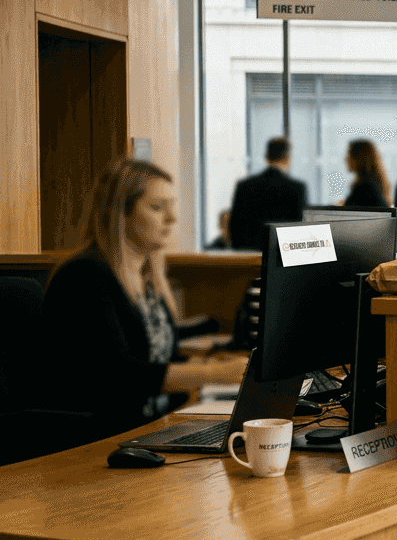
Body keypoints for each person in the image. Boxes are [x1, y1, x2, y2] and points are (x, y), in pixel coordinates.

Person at [41, 159, 247, 442]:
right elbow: (121, 377)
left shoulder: (148, 282)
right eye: (157, 207)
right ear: (120, 213)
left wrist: (213, 365)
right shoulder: (85, 276)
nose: (172, 218)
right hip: (100, 438)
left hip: (148, 430)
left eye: (172, 206)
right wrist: (212, 373)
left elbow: (162, 360)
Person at [228, 136, 307, 250]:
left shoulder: (245, 186)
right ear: (287, 158)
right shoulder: (297, 188)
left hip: (249, 255)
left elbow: (235, 225)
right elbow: (299, 226)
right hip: (280, 255)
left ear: (266, 157)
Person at [343, 139, 390, 207]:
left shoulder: (364, 189)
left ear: (359, 159)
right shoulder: (372, 185)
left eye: (349, 155)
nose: (346, 159)